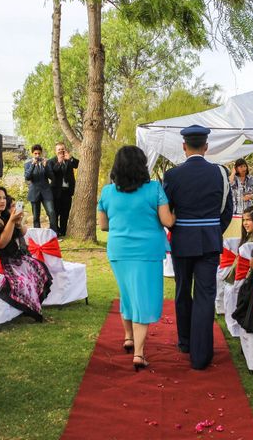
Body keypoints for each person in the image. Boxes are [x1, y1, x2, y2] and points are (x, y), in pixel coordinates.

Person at [98, 146, 175, 371]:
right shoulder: (154, 189)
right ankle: (139, 354)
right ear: (142, 165)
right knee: (142, 299)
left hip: (119, 250)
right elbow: (168, 221)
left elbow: (104, 225)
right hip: (147, 252)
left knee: (128, 294)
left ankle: (128, 337)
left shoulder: (107, 192)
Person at [163, 124, 233, 370]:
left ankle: (185, 342)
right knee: (205, 296)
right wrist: (213, 231)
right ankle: (201, 355)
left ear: (184, 147)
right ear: (206, 146)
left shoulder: (172, 176)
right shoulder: (221, 173)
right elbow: (227, 210)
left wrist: (178, 230)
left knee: (183, 291)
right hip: (209, 241)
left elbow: (166, 212)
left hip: (182, 240)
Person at [0, 186, 53, 321]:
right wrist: (11, 221)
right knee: (25, 279)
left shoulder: (2, 214)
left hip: (11, 258)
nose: (2, 201)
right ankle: (28, 309)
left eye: (4, 198)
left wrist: (16, 222)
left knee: (38, 268)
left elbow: (23, 232)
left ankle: (29, 307)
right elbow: (1, 243)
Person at [24, 144, 58, 234]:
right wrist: (32, 165)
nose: (37, 155)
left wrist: (46, 166)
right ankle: (37, 235)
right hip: (34, 192)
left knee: (51, 212)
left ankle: (54, 234)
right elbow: (27, 177)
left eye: (39, 153)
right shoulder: (28, 164)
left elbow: (52, 177)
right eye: (35, 153)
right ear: (32, 154)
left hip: (46, 192)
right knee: (36, 216)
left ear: (41, 153)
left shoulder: (46, 163)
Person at [48, 142, 79, 237]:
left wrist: (70, 158)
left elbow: (77, 164)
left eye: (62, 149)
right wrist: (59, 162)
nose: (61, 151)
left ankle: (63, 232)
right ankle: (55, 233)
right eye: (59, 149)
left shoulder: (69, 159)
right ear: (55, 151)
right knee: (55, 213)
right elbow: (53, 173)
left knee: (65, 213)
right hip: (56, 192)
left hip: (67, 191)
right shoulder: (52, 161)